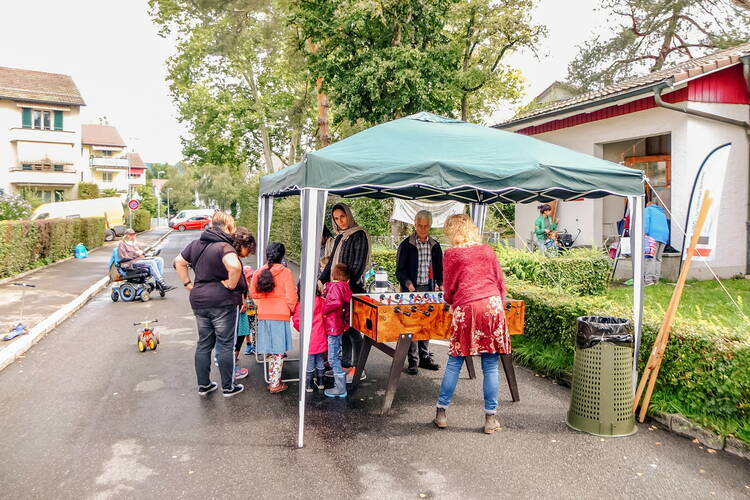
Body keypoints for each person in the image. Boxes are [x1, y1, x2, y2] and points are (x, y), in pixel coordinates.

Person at [434, 214, 509, 435]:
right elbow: (500, 282)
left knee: (455, 362)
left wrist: (450, 302)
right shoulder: (487, 250)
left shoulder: (451, 254)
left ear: (452, 231)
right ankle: (490, 419)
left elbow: (448, 289)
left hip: (466, 307)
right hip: (492, 305)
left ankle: (441, 414)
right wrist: (498, 303)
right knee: (490, 365)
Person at [174, 212, 246, 398]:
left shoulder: (195, 245)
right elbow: (235, 267)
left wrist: (188, 284)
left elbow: (179, 262)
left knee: (204, 343)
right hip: (222, 302)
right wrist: (231, 284)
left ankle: (204, 385)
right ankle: (228, 387)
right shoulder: (224, 247)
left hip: (199, 301)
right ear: (228, 227)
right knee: (225, 344)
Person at [318, 203, 371, 379]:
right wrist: (321, 279)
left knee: (355, 331)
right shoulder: (340, 237)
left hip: (352, 291)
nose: (340, 221)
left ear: (348, 215)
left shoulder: (359, 235)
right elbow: (331, 261)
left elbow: (358, 265)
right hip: (339, 292)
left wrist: (343, 286)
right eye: (336, 218)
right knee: (345, 330)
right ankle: (345, 365)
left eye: (342, 216)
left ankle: (359, 368)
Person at [395, 209, 442, 374]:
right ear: (415, 225)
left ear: (430, 226)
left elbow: (440, 270)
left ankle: (424, 358)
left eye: (426, 226)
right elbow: (399, 271)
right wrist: (408, 284)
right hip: (411, 291)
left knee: (426, 326)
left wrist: (440, 284)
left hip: (428, 289)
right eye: (420, 226)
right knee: (412, 327)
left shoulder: (435, 246)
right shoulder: (407, 245)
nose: (422, 229)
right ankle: (413, 361)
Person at [250, 242, 297, 394]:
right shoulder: (286, 272)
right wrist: (289, 310)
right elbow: (291, 297)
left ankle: (274, 378)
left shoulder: (258, 272)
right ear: (282, 256)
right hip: (280, 315)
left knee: (271, 350)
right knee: (278, 351)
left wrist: (262, 305)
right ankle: (275, 383)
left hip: (264, 314)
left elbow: (253, 294)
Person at [322, 264, 353, 398]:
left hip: (332, 325)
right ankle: (338, 376)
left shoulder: (336, 288)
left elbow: (335, 303)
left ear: (334, 275)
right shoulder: (345, 287)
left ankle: (340, 388)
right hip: (339, 325)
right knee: (335, 354)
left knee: (332, 357)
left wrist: (323, 309)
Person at [231, 227, 256, 377]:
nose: (248, 254)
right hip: (237, 304)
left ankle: (232, 363)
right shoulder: (232, 259)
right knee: (237, 335)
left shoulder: (231, 256)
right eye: (249, 249)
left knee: (239, 333)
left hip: (239, 302)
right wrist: (242, 300)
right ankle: (232, 367)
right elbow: (237, 284)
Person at [292, 284, 326, 392]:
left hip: (309, 338)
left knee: (309, 361)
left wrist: (301, 330)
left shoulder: (301, 304)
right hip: (320, 335)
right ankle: (321, 381)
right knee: (320, 359)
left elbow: (297, 320)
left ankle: (309, 384)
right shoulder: (321, 301)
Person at [644, 200, 669, 285]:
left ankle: (648, 280)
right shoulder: (662, 213)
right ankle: (656, 279)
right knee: (658, 259)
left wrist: (644, 234)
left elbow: (645, 223)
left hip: (652, 236)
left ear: (648, 205)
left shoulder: (648, 210)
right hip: (663, 237)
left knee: (650, 258)